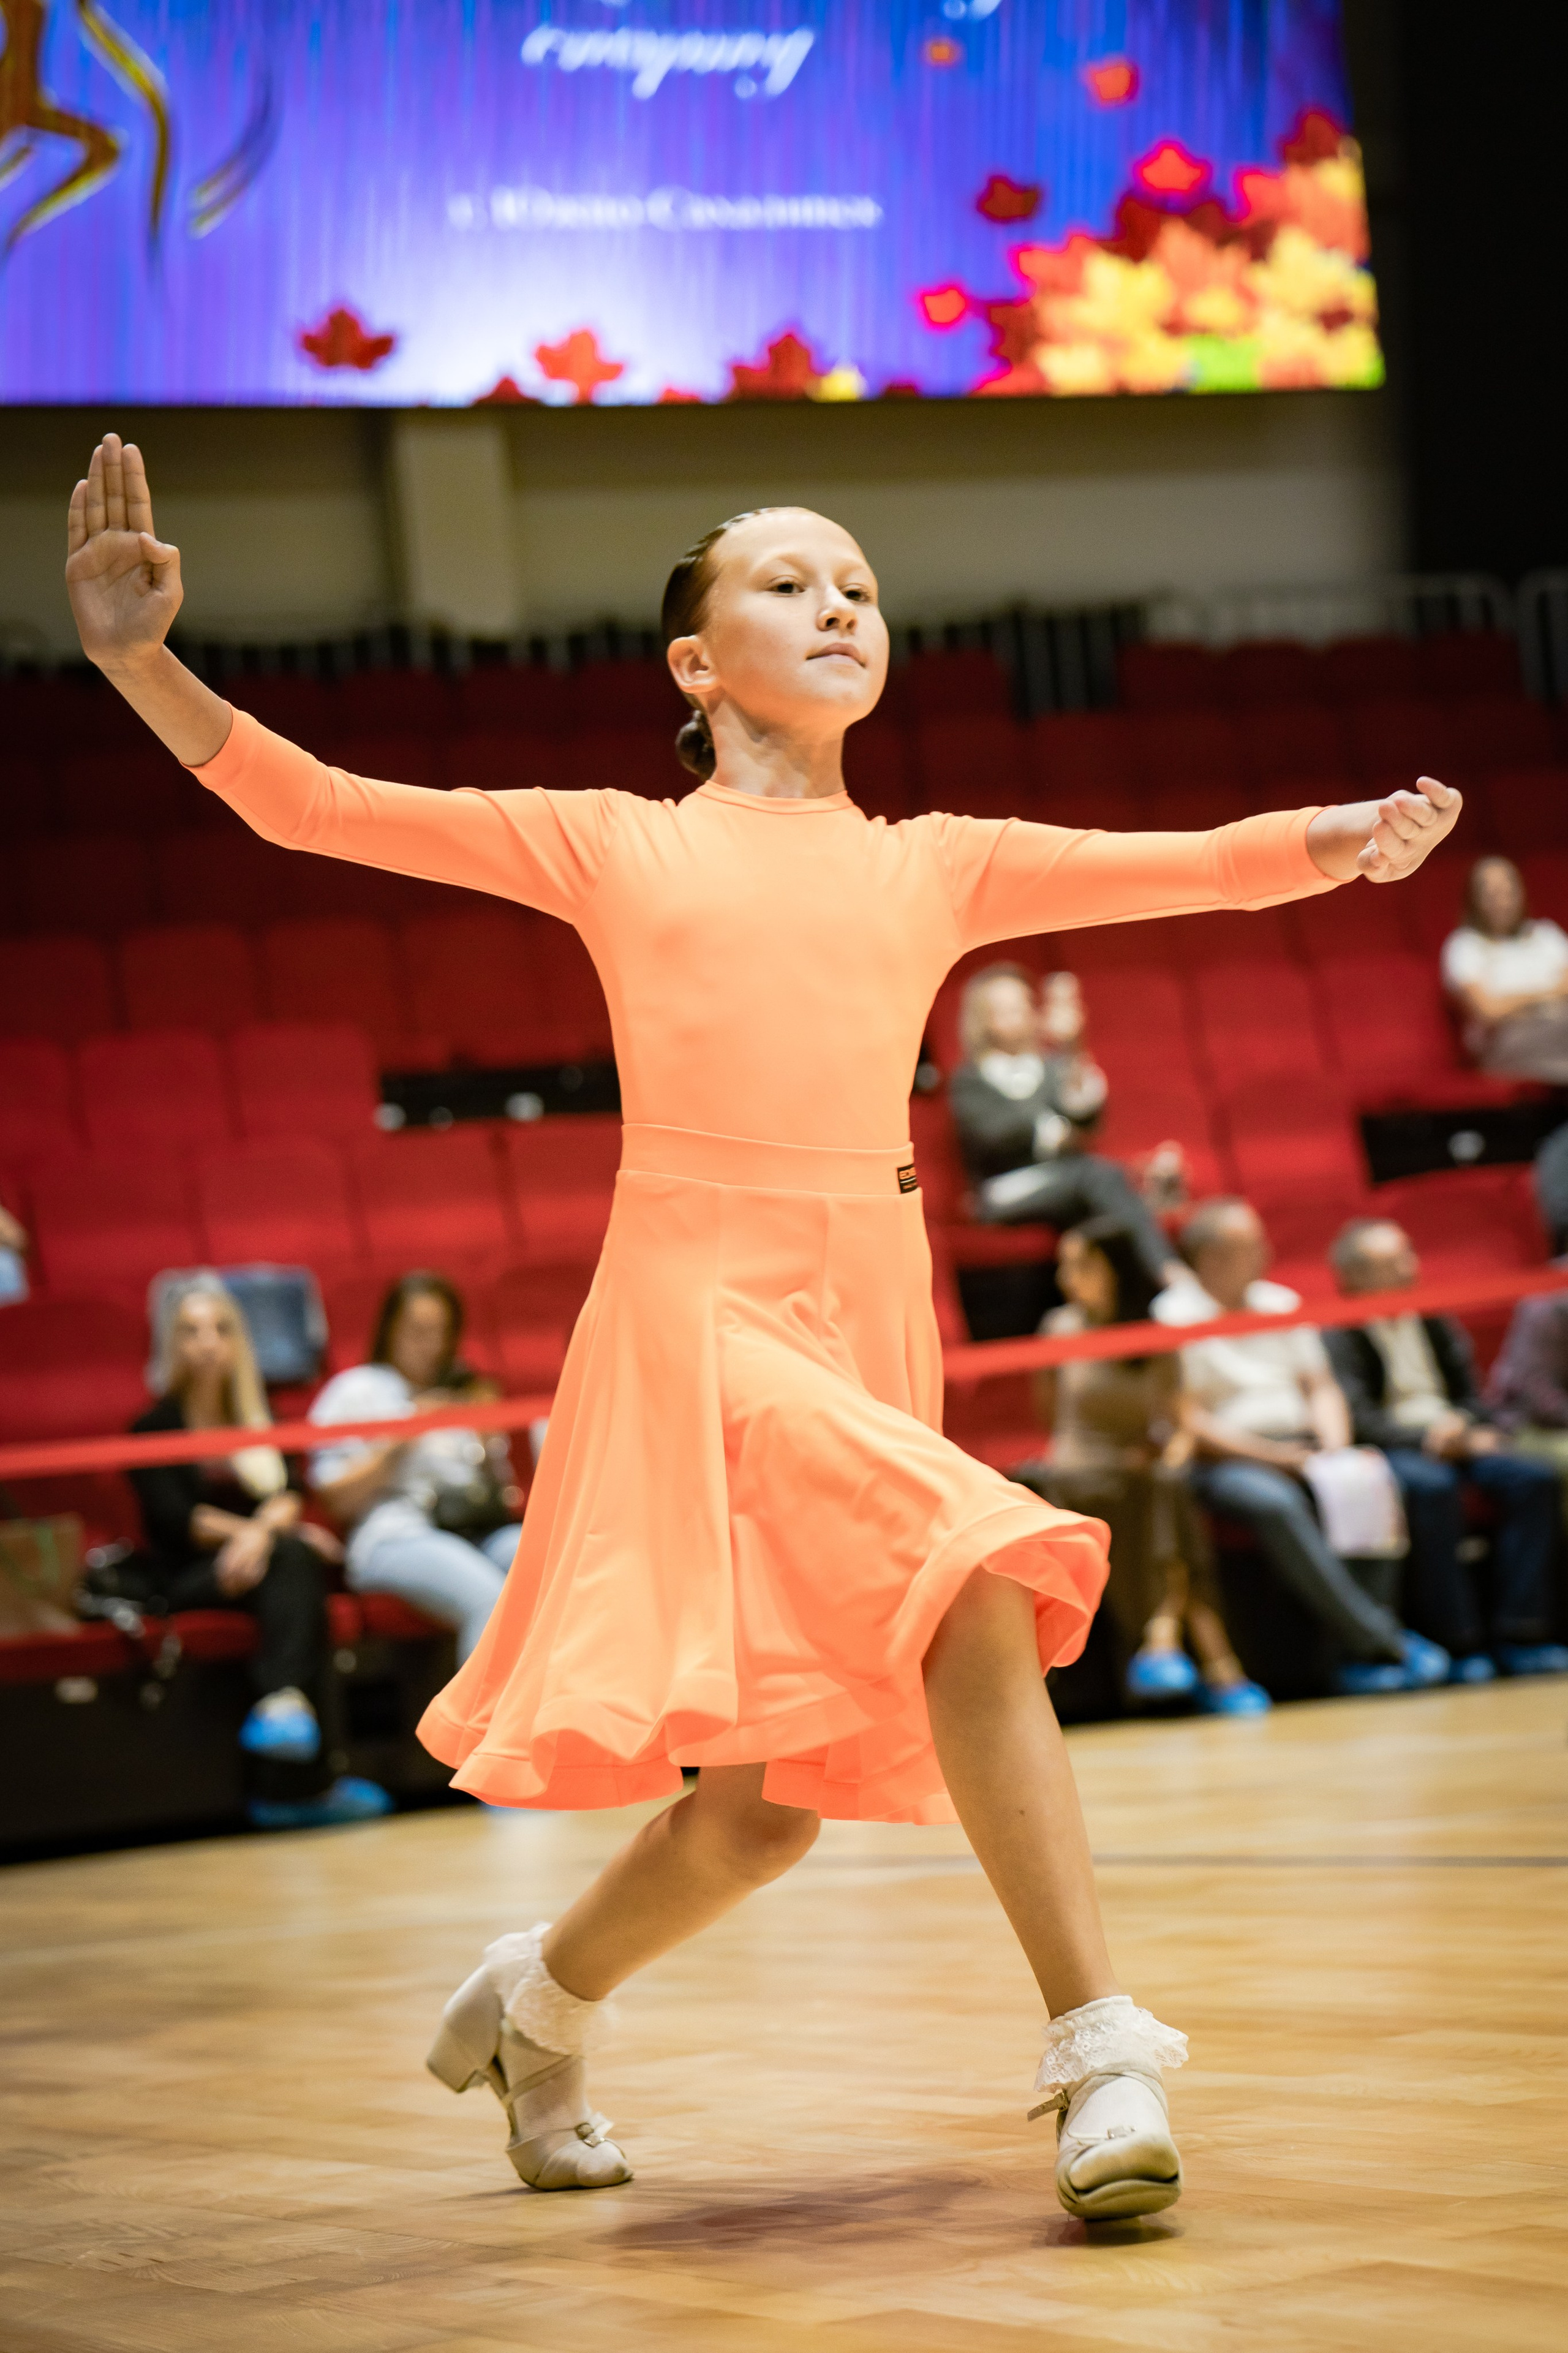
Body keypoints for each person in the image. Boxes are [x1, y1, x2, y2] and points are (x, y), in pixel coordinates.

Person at [67, 433, 1461, 2221]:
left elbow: (1182, 863)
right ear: (693, 662)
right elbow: (314, 802)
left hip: (867, 1303)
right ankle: (1096, 2047)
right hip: (696, 1307)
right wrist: (138, 663)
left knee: (766, 1804)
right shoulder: (613, 843)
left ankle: (537, 2003)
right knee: (974, 1568)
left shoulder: (934, 863)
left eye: (861, 585)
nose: (839, 603)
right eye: (790, 581)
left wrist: (1339, 845)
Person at [127, 1274, 393, 1830]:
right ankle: (303, 1779)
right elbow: (180, 1520)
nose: (207, 1342)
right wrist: (257, 1533)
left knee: (294, 1570)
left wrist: (267, 1535)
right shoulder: (152, 1427)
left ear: (238, 1341)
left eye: (220, 1329)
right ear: (169, 1343)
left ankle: (285, 1721)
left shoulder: (259, 1415)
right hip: (189, 1576)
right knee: (293, 1563)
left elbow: (288, 1494)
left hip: (261, 1567)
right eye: (191, 1330)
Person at [1157, 1199, 1449, 1696]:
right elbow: (1187, 1419)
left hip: (1303, 1448)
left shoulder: (1281, 1302)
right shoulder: (1170, 1316)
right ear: (1208, 1256)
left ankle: (1354, 1658)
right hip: (1228, 1461)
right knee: (1276, 1502)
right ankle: (1382, 1640)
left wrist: (1335, 1448)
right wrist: (1276, 1459)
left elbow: (1321, 1386)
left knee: (1368, 1476)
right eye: (1248, 1246)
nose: (1264, 1253)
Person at [1016, 1215, 1269, 1716]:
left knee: (1164, 1486)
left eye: (1082, 1264)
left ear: (1116, 1269)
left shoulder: (1154, 1335)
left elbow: (1178, 1423)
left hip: (1136, 1472)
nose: (1068, 1276)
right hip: (1075, 1475)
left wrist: (1170, 1459)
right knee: (1159, 1504)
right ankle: (1206, 1659)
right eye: (1064, 1265)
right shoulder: (1058, 1329)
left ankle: (1165, 1645)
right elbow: (1051, 1418)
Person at [1324, 1218, 1568, 1679]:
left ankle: (1523, 1631)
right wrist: (1426, 1440)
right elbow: (1357, 1417)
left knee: (1533, 1478)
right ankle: (1458, 1641)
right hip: (1396, 1446)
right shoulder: (1340, 1333)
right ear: (1354, 1276)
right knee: (1431, 1490)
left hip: (1457, 1437)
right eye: (1392, 1261)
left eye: (1408, 1255)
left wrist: (1465, 1427)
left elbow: (1472, 1396)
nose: (1408, 1268)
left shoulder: (1432, 1316)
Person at [309, 1272, 522, 1661]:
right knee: (491, 1599)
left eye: (441, 1331)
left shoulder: (466, 1392)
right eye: (418, 1331)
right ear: (390, 1329)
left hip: (476, 1528)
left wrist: (487, 1438)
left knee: (565, 1570)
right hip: (395, 1534)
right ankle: (485, 1725)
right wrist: (400, 1441)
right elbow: (334, 1499)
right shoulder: (356, 1390)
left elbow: (504, 1491)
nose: (431, 1345)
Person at [949, 964, 1175, 1287]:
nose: (1017, 1015)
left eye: (1022, 1005)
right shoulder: (969, 1080)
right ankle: (1168, 1275)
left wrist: (1073, 1048)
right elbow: (993, 1136)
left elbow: (1087, 1119)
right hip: (1005, 1190)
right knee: (1099, 1176)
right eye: (1003, 1009)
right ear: (982, 1020)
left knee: (1097, 1199)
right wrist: (1055, 1130)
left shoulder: (1055, 1066)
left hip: (1067, 1184)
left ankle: (1137, 1302)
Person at [1441, 855, 1568, 1082]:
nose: (1502, 900)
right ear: (1474, 899)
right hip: (1505, 1043)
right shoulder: (1464, 945)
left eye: (1508, 890)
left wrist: (1513, 1002)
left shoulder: (1547, 934)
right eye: (1491, 893)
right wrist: (1549, 995)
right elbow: (1488, 1011)